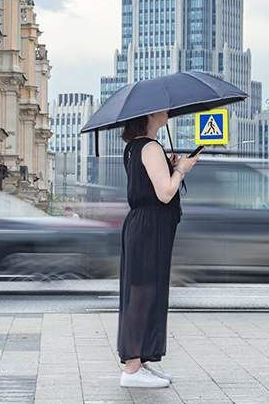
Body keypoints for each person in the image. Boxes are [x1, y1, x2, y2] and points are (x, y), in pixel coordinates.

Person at [117, 110, 199, 389]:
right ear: (150, 114)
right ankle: (131, 369)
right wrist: (180, 170)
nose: (167, 112)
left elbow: (152, 186)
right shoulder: (150, 147)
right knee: (142, 293)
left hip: (145, 226)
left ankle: (141, 361)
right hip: (149, 227)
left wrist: (169, 166)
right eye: (162, 109)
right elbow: (165, 193)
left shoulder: (137, 146)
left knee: (146, 291)